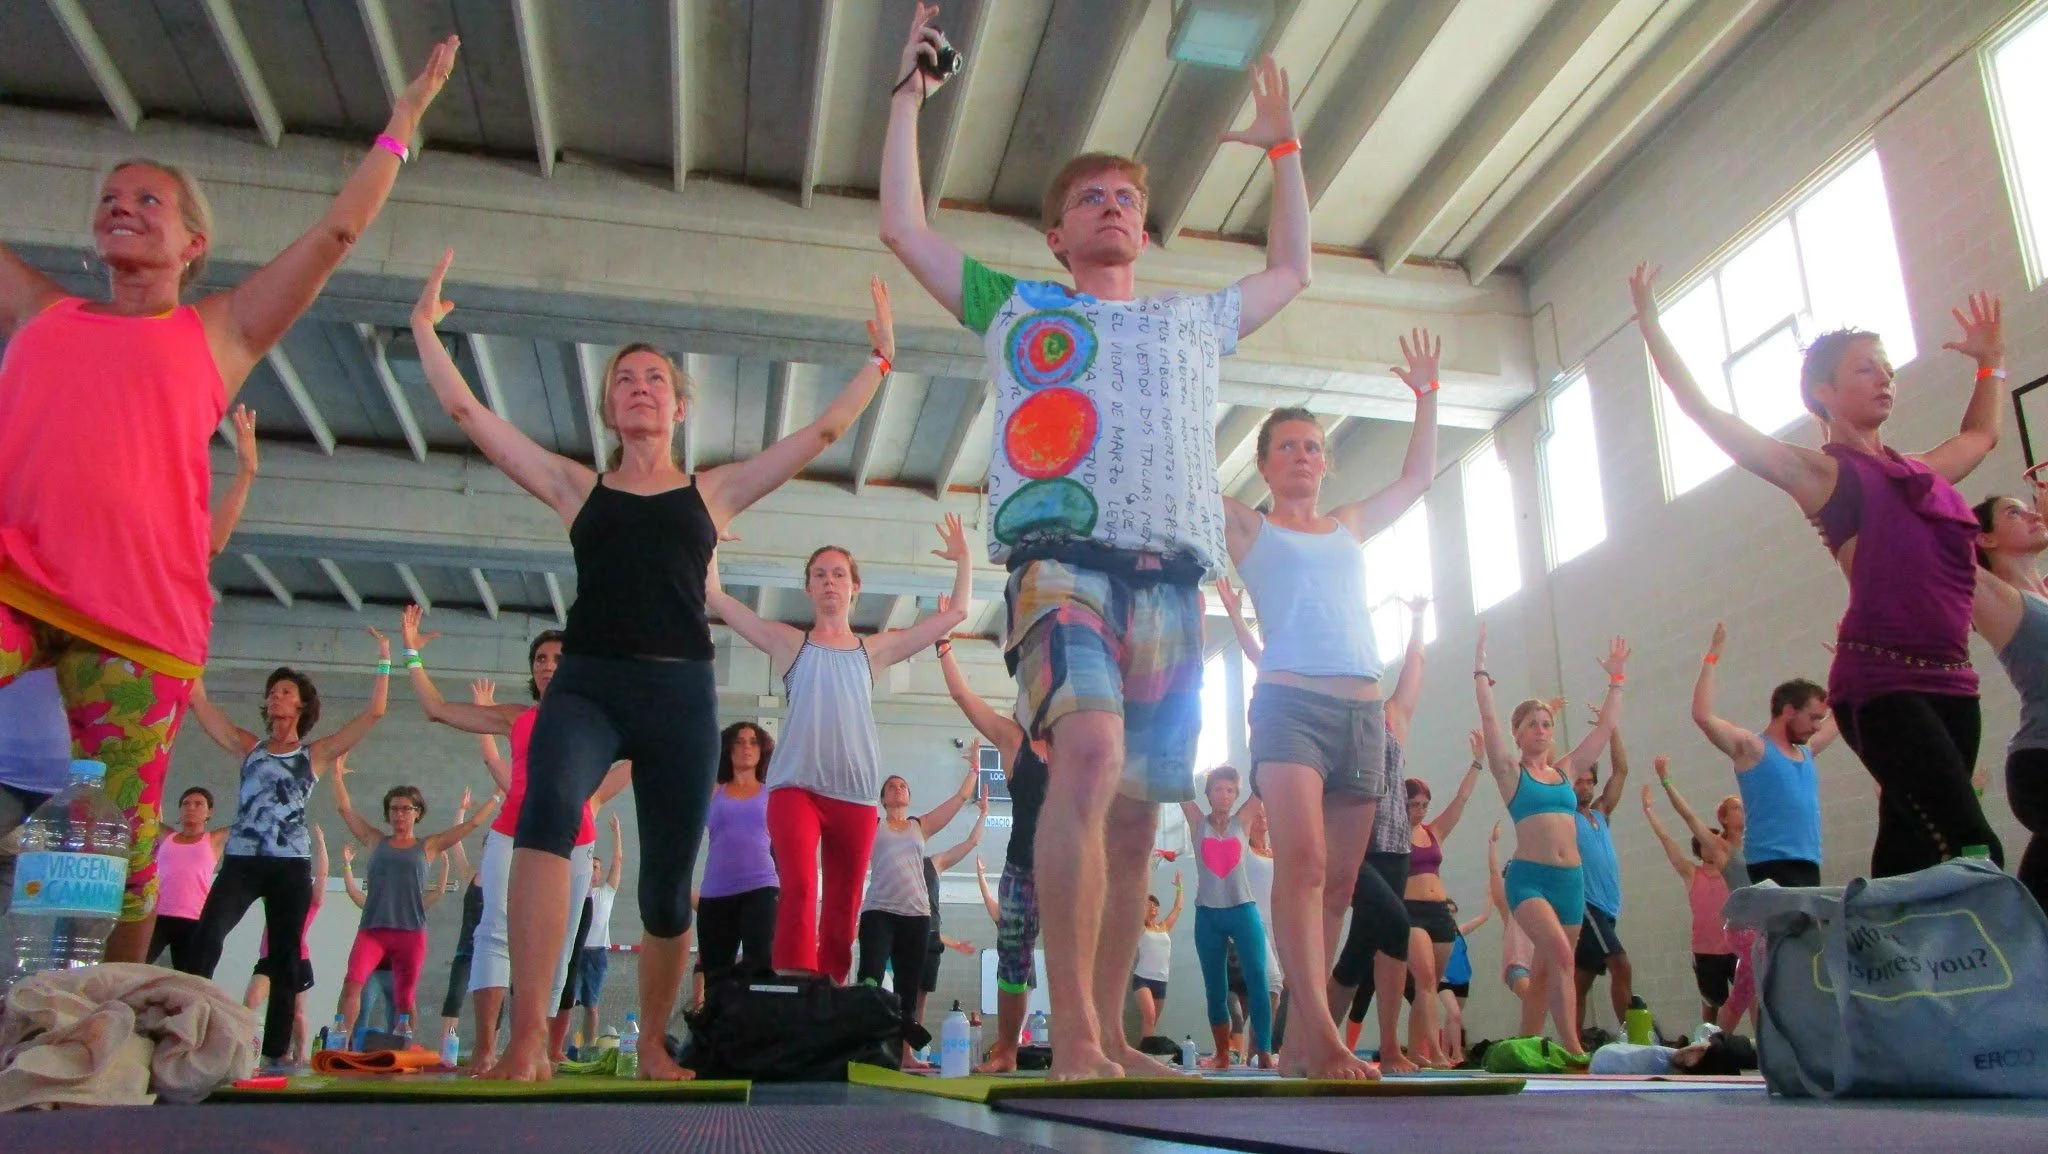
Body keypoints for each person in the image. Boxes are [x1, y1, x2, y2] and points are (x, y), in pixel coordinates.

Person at [881, 1, 1315, 1078]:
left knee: (1134, 819)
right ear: (1058, 234)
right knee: (1085, 753)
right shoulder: (1017, 305)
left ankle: (1114, 1030)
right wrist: (906, 100)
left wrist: (1286, 155)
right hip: (1062, 561)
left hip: (1173, 578)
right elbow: (904, 228)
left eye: (1127, 196)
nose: (1113, 206)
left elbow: (1292, 270)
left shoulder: (1191, 321)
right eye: (1090, 198)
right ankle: (1065, 1028)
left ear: (1144, 223)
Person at [0, 39, 457, 964]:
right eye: (109, 200)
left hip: (137, 620)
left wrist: (399, 130)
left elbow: (333, 239)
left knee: (118, 829)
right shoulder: (43, 313)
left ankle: (103, 1021)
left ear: (191, 243)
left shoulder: (219, 331)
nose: (122, 208)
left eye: (148, 201)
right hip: (17, 582)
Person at [415, 249, 901, 1080]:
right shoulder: (577, 488)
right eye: (625, 380)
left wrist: (879, 362)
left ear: (678, 406)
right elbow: (470, 417)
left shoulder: (712, 493)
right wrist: (425, 332)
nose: (639, 387)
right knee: (545, 810)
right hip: (591, 683)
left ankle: (649, 1043)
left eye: (655, 380)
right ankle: (528, 1040)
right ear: (610, 406)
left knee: (668, 889)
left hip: (679, 689)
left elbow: (817, 435)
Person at [1634, 264, 2008, 875]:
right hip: (1883, 682)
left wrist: (1991, 362)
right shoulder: (1823, 474)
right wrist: (1651, 325)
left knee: (1916, 841)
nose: (1885, 377)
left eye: (1887, 368)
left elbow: (1983, 433)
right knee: (1972, 845)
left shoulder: (1921, 474)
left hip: (1953, 680)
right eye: (1866, 368)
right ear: (1822, 392)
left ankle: (1874, 960)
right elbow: (1706, 414)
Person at [1222, 332, 1440, 1080]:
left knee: (1341, 884)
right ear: (1264, 464)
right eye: (1286, 447)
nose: (1302, 457)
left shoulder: (1348, 522)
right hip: (1289, 705)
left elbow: (1417, 477)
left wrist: (1426, 397)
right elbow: (1184, 479)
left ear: (1326, 459)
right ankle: (1320, 1035)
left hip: (1363, 716)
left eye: (1312, 446)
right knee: (1305, 863)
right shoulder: (1250, 526)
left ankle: (1298, 1049)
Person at [707, 519, 971, 985]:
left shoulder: (874, 650)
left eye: (839, 574)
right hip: (795, 790)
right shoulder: (791, 643)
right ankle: (793, 991)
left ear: (855, 589)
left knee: (845, 905)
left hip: (853, 795)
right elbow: (718, 598)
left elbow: (955, 615)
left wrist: (965, 560)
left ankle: (829, 995)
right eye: (820, 575)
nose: (830, 582)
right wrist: (708, 542)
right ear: (808, 588)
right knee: (802, 890)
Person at [402, 631, 625, 1067]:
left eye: (559, 657)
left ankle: (539, 1050)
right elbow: (437, 710)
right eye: (540, 658)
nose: (547, 664)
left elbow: (639, 750)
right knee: (494, 931)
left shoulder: (596, 718)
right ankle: (486, 1050)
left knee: (557, 945)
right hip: (514, 833)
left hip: (573, 841)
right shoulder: (515, 717)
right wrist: (411, 653)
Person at [178, 641, 391, 1069]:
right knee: (207, 934)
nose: (276, 695)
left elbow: (374, 714)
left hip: (289, 865)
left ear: (301, 706)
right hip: (242, 860)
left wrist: (386, 658)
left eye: (286, 692)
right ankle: (187, 1023)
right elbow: (198, 699)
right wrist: (192, 645)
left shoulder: (314, 754)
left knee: (285, 954)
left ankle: (275, 1051)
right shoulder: (248, 746)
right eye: (272, 691)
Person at [1473, 623, 1628, 1054]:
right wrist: (1480, 670)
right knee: (1562, 956)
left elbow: (1606, 728)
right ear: (1517, 733)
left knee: (1545, 972)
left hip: (1570, 881)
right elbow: (1488, 719)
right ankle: (1575, 1048)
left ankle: (1526, 1046)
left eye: (1545, 723)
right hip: (1530, 880)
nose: (1540, 730)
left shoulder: (1566, 770)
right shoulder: (1511, 773)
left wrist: (1616, 679)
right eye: (1530, 725)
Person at [940, 634, 1052, 1073]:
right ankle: (1006, 1050)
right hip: (1023, 868)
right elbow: (962, 696)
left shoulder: (1076, 740)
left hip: (1070, 871)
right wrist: (944, 646)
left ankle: (1090, 1045)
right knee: (1013, 960)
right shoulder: (1012, 740)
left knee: (1077, 956)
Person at [331, 761, 494, 1042]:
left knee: (405, 999)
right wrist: (335, 775)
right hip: (373, 930)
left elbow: (473, 824)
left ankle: (403, 1047)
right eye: (394, 809)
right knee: (352, 984)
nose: (399, 814)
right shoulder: (375, 840)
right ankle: (340, 1043)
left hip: (410, 932)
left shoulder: (427, 846)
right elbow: (346, 809)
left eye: (406, 809)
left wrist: (497, 795)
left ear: (417, 813)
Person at [1691, 622, 1837, 888]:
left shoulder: (1807, 751)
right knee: (1789, 929)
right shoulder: (1753, 749)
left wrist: (1845, 668)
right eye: (1813, 718)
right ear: (1789, 711)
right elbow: (1702, 715)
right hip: (1771, 865)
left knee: (1809, 930)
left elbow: (1839, 716)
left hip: (1808, 862)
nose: (1817, 726)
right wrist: (1711, 657)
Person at [855, 767, 981, 1066]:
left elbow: (961, 797)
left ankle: (906, 1054)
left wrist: (975, 768)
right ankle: (865, 1047)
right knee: (870, 978)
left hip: (916, 915)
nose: (898, 789)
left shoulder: (919, 826)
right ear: (883, 798)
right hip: (878, 911)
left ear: (909, 797)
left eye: (903, 786)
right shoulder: (872, 825)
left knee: (908, 988)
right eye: (891, 786)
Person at [1971, 494, 2048, 913]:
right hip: (2042, 762)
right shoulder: (1997, 596)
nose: (2031, 514)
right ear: (1984, 538)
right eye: (2013, 512)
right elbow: (1932, 547)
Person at [1180, 767, 1273, 1069]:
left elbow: (1261, 787)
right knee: (1215, 988)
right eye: (1217, 789)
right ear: (1207, 794)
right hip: (1208, 915)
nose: (1224, 795)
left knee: (1259, 980)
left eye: (1230, 790)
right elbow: (1178, 789)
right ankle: (1222, 1054)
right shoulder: (1197, 822)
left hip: (1242, 909)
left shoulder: (1243, 821)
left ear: (1236, 795)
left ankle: (1265, 1053)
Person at [1649, 765, 1752, 1033]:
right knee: (1717, 1001)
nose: (1742, 810)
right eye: (1736, 807)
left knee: (1751, 996)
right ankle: (1709, 1042)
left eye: (1743, 807)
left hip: (1743, 940)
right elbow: (1676, 830)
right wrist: (1664, 786)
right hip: (1715, 946)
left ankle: (1745, 1045)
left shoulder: (1748, 848)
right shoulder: (1707, 862)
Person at [1401, 749, 1483, 1065]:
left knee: (1430, 988)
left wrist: (1476, 762)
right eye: (1413, 806)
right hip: (1411, 912)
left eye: (1424, 805)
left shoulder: (1434, 832)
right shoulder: (1394, 835)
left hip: (1439, 915)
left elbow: (1460, 801)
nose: (1420, 812)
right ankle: (1434, 1051)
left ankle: (1415, 1050)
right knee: (1423, 982)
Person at [697, 722, 779, 983]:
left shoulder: (772, 793)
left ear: (761, 751)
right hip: (716, 892)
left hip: (761, 888)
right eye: (740, 741)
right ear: (728, 750)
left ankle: (757, 1023)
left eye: (753, 742)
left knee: (760, 971)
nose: (746, 747)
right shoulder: (713, 791)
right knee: (716, 977)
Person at [913, 759, 988, 1031]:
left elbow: (971, 842)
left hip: (930, 934)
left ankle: (909, 1050)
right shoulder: (896, 863)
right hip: (905, 932)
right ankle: (896, 1047)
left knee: (921, 998)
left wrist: (983, 814)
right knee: (902, 994)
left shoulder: (934, 863)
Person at [243, 826, 328, 1065]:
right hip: (269, 958)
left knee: (297, 1014)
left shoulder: (310, 901)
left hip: (297, 960)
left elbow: (321, 877)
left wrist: (320, 844)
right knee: (250, 1002)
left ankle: (300, 1056)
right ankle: (249, 1051)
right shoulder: (275, 894)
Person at [1572, 718, 1633, 1036]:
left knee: (1580, 981)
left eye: (1589, 782)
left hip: (1608, 908)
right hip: (1587, 905)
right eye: (1578, 781)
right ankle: (1633, 1038)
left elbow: (1621, 770)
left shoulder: (1600, 813)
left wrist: (1612, 729)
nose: (1584, 787)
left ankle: (1573, 1044)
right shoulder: (1565, 817)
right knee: (1621, 965)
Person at [146, 787, 231, 968]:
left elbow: (249, 823)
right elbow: (145, 815)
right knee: (135, 965)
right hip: (158, 916)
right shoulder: (166, 836)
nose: (191, 808)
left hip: (194, 919)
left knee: (189, 976)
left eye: (198, 804)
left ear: (209, 812)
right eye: (186, 804)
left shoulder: (214, 839)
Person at [569, 813, 625, 1049]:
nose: (593, 871)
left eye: (597, 868)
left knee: (591, 1006)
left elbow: (619, 860)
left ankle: (589, 1048)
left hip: (596, 955)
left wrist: (617, 833)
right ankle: (561, 1047)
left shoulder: (606, 893)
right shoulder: (574, 893)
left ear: (600, 873)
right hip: (575, 952)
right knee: (567, 1002)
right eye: (590, 866)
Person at [1484, 823, 1535, 1007]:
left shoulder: (1538, 901)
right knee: (1532, 1001)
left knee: (1542, 1007)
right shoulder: (1508, 904)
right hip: (1518, 965)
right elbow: (1494, 872)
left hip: (1542, 963)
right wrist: (1493, 842)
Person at [1130, 876, 1183, 1040]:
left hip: (1161, 980)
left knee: (1152, 1022)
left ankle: (1147, 1053)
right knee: (1149, 1016)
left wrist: (1179, 888)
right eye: (1148, 904)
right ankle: (1146, 1054)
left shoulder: (1164, 927)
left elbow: (1178, 907)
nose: (1153, 906)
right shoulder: (1140, 928)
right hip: (1143, 979)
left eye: (1155, 904)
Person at [1435, 902, 1487, 1064]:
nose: (1451, 915)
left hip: (1462, 980)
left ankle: (1444, 1053)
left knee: (1453, 1017)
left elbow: (1483, 917)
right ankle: (1457, 1054)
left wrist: (1490, 897)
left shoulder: (1460, 931)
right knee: (1455, 1014)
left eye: (1453, 912)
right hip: (1444, 981)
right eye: (1448, 911)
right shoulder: (1436, 934)